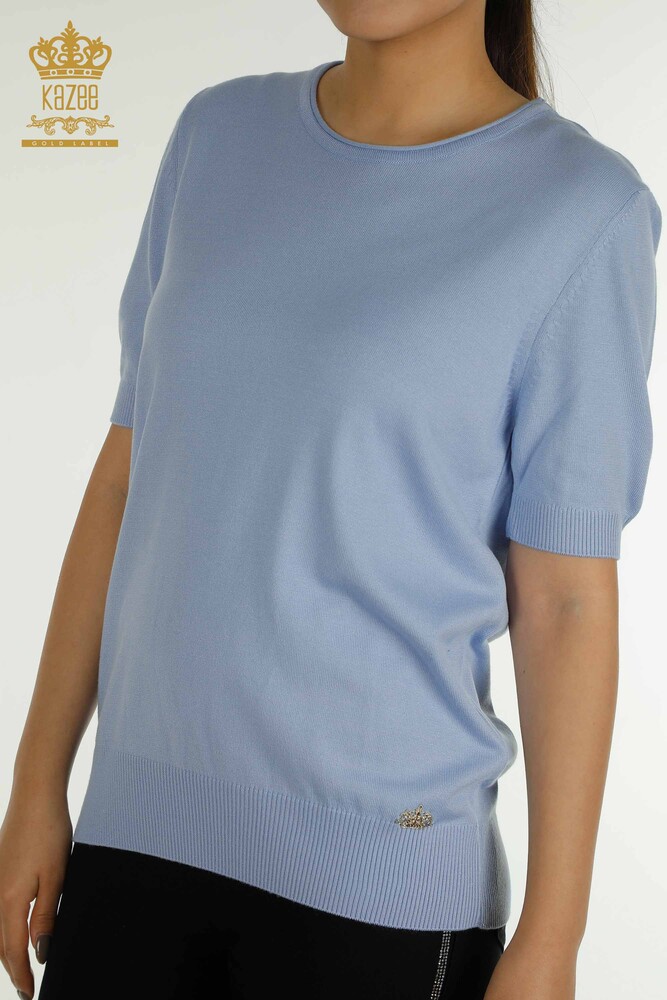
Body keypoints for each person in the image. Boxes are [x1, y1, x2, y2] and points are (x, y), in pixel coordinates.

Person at [0, 2, 661, 998]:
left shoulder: (581, 209)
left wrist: (551, 937)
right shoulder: (216, 135)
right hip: (132, 846)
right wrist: (36, 784)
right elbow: (127, 478)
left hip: (380, 893)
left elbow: (565, 598)